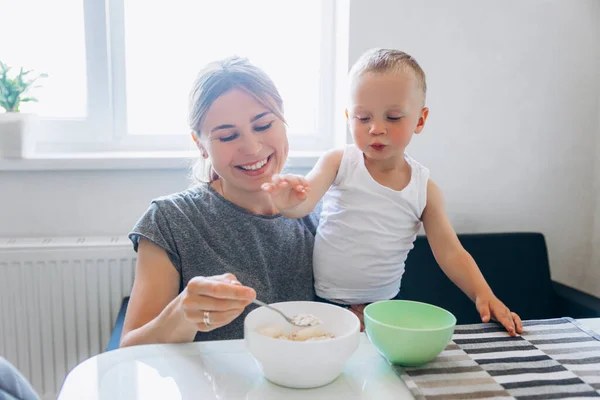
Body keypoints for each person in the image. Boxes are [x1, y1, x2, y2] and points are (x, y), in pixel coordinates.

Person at [261, 48, 524, 336]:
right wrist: (287, 202)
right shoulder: (338, 162)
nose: (376, 128)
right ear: (349, 117)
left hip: (385, 307)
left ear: (420, 121)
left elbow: (451, 252)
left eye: (394, 117)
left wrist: (482, 293)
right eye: (363, 118)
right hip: (326, 302)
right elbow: (304, 201)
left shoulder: (424, 189)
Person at [120, 56, 320, 345]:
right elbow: (129, 350)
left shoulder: (320, 209)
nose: (251, 147)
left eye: (263, 125)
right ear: (200, 145)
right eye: (227, 136)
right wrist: (182, 313)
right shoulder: (170, 220)